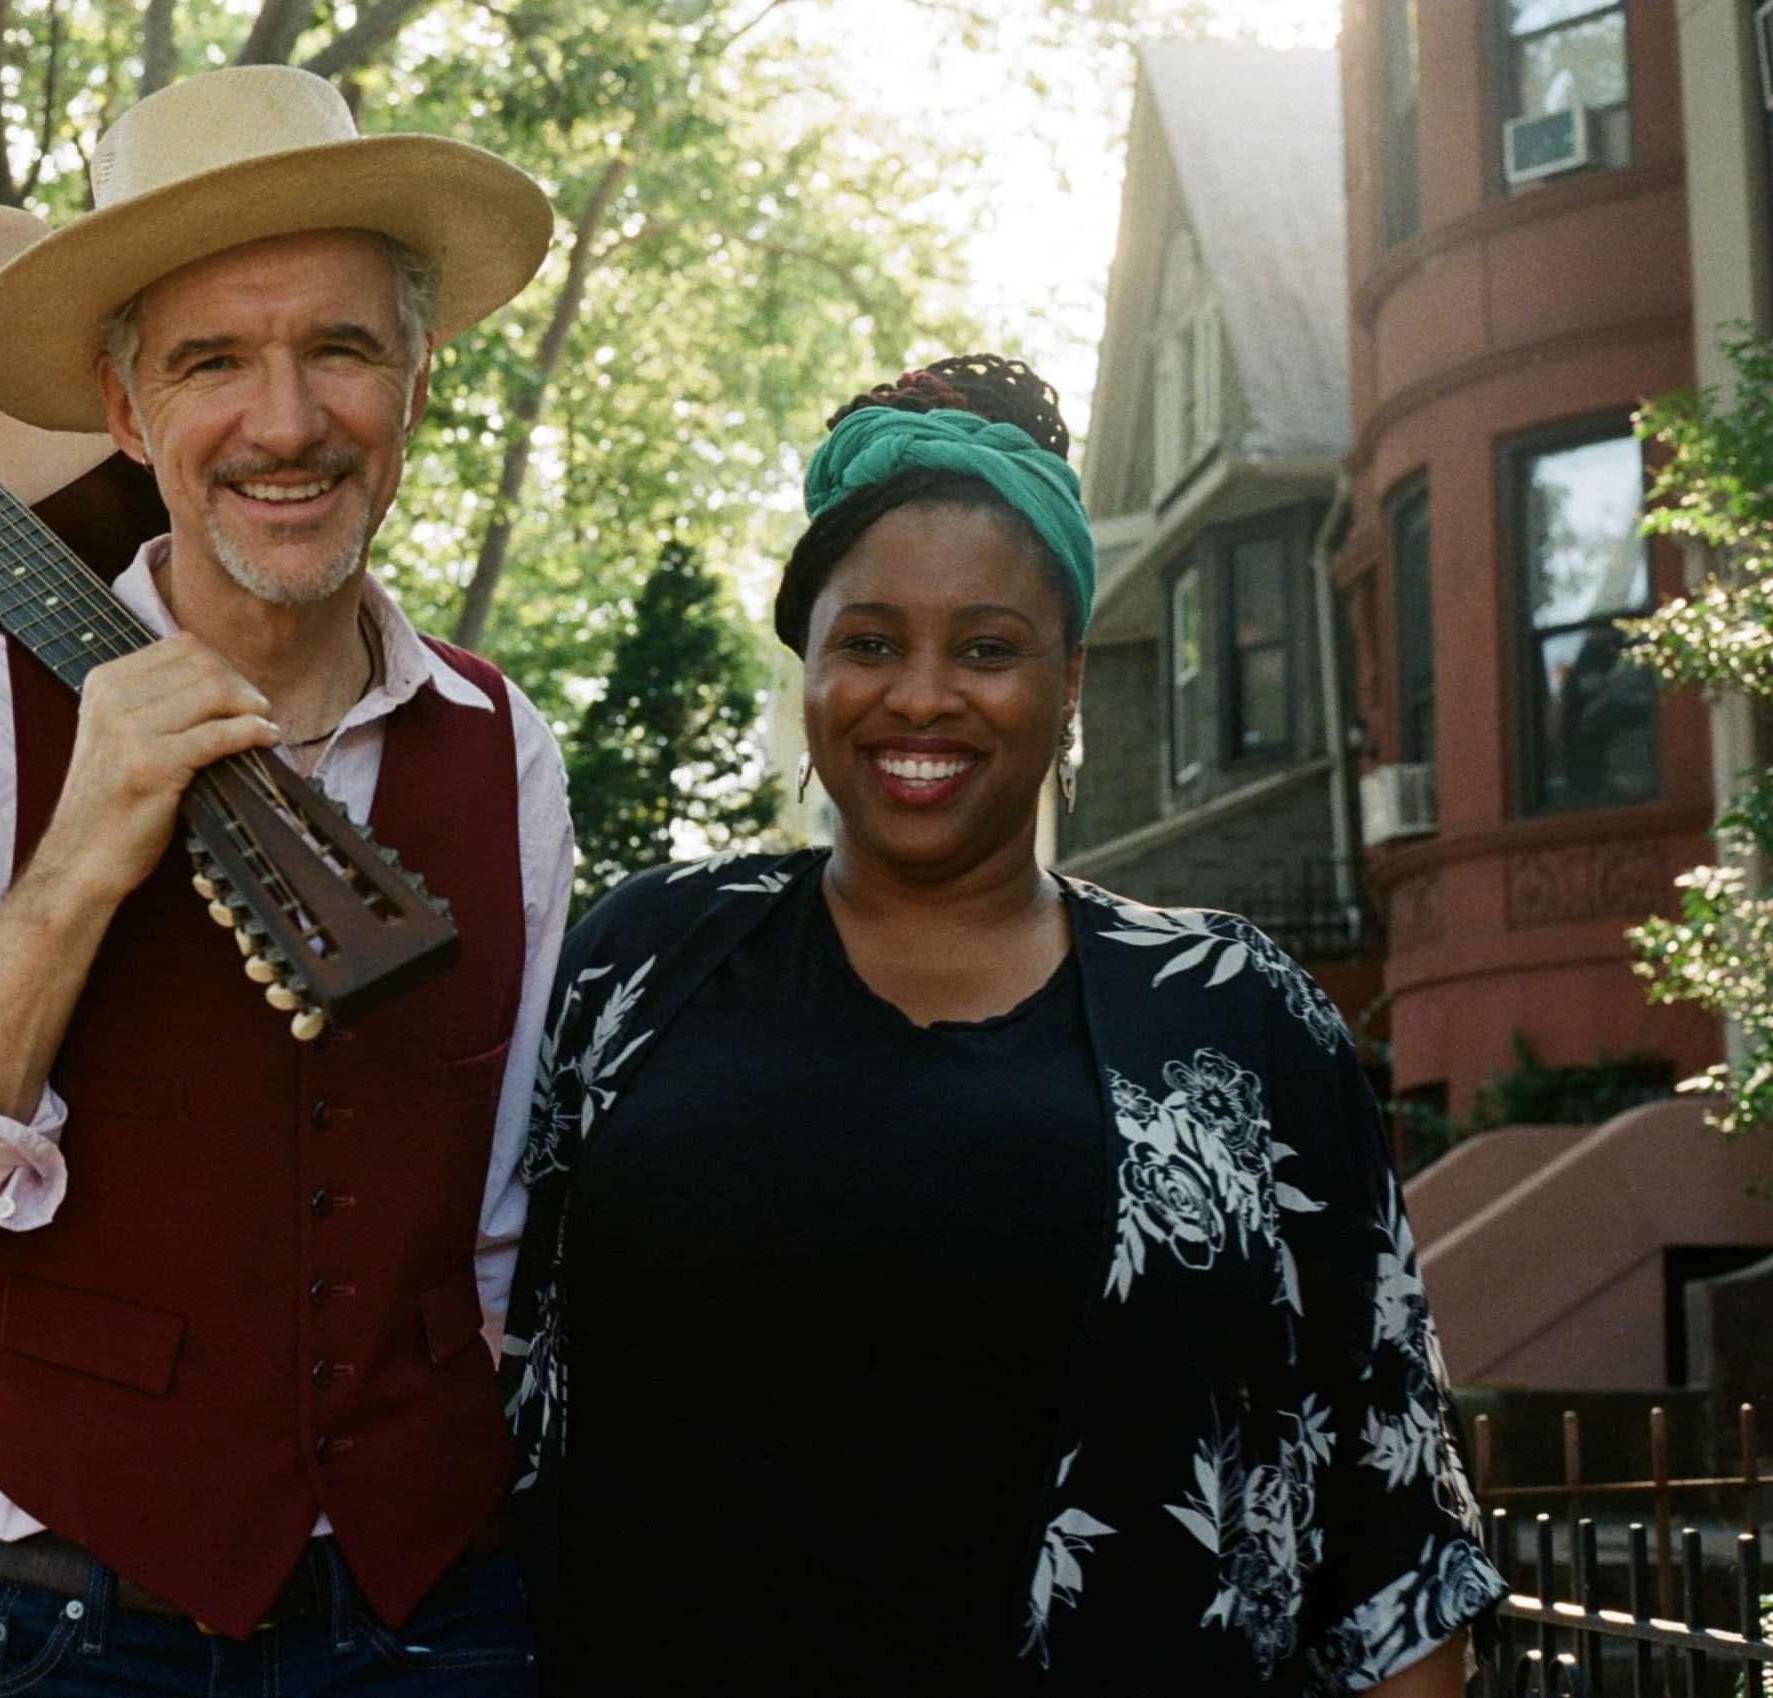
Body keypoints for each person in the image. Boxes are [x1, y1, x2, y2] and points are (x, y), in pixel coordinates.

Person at [499, 356, 1504, 1696]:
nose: (922, 696)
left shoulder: (1233, 1019)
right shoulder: (644, 965)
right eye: (869, 643)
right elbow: (492, 1357)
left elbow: (1392, 1520)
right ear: (810, 665)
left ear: (1071, 676)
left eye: (987, 647)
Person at [0, 64, 569, 1696]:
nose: (285, 421)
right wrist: (76, 861)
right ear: (127, 413)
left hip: (439, 1623)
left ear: (417, 378)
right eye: (213, 359)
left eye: (340, 346)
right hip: (69, 1628)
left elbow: (502, 1238)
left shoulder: (503, 745)